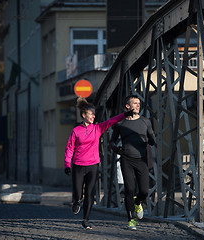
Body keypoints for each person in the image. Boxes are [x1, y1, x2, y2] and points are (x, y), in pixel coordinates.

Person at [64, 97, 134, 230]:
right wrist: (67, 164)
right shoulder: (76, 131)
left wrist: (125, 114)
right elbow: (70, 148)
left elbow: (112, 120)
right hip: (78, 165)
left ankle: (86, 220)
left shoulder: (98, 128)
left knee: (90, 194)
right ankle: (76, 201)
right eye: (91, 114)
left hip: (93, 165)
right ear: (84, 115)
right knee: (78, 193)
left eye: (94, 114)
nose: (93, 116)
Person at [109, 95, 156, 231]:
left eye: (139, 103)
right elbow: (112, 141)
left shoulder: (145, 121)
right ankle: (131, 220)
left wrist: (152, 140)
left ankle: (138, 202)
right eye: (135, 103)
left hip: (141, 160)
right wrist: (116, 149)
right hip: (126, 159)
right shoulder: (120, 123)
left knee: (144, 191)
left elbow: (152, 137)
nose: (138, 105)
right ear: (127, 106)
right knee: (129, 189)